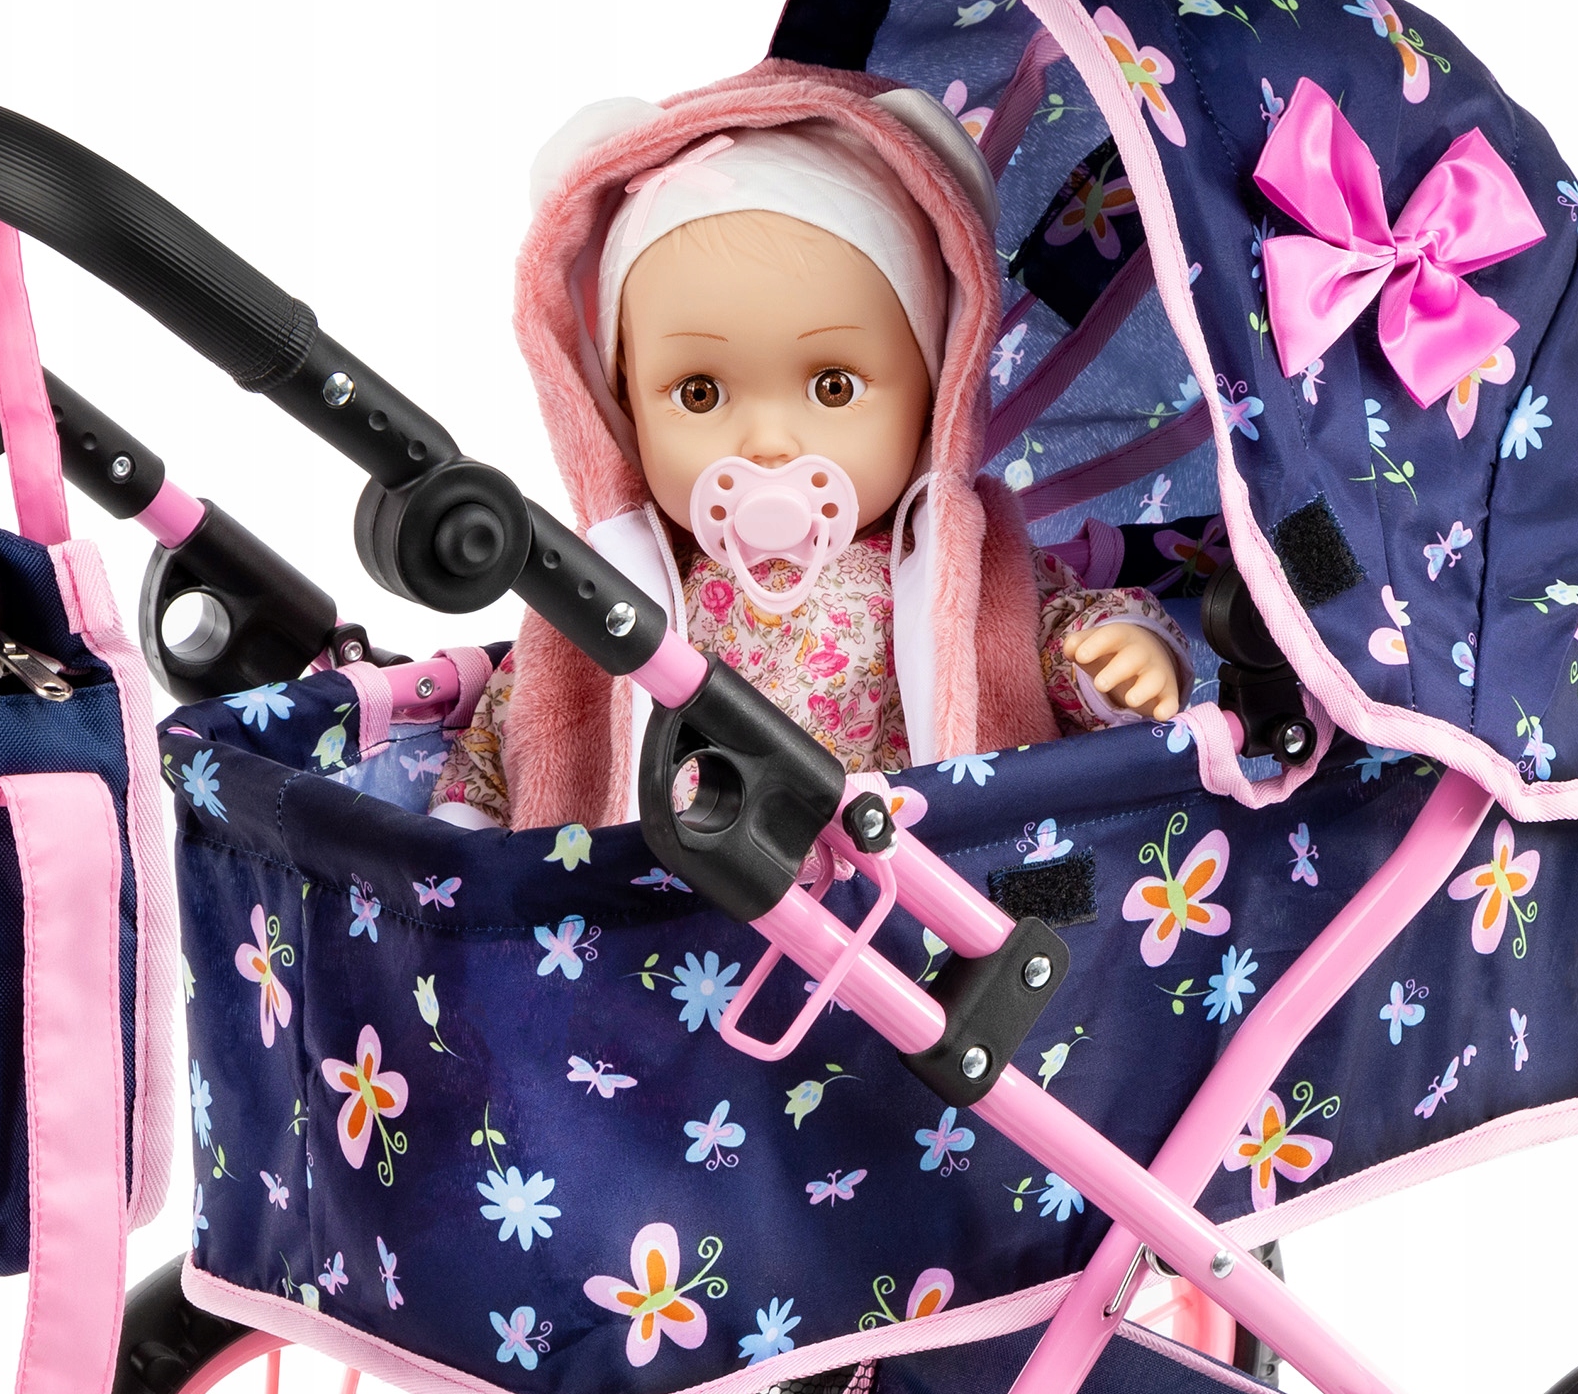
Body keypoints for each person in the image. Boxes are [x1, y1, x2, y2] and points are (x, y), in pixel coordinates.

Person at [432, 78, 1188, 830]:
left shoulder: (961, 562)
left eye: (833, 386)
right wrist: (467, 828)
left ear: (934, 397)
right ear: (623, 410)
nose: (767, 442)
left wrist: (1118, 659)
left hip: (902, 893)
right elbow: (516, 720)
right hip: (673, 903)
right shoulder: (604, 588)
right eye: (699, 392)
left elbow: (1054, 633)